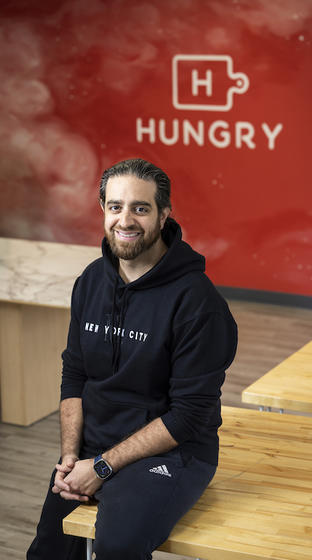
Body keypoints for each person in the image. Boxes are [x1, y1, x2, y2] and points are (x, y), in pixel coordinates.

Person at [27, 158, 237, 560]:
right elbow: (74, 376)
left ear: (163, 215)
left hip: (172, 454)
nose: (126, 219)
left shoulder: (198, 304)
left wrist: (103, 467)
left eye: (141, 208)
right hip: (93, 445)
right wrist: (72, 455)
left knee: (117, 547)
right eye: (115, 206)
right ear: (103, 210)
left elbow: (188, 415)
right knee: (48, 553)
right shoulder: (91, 280)